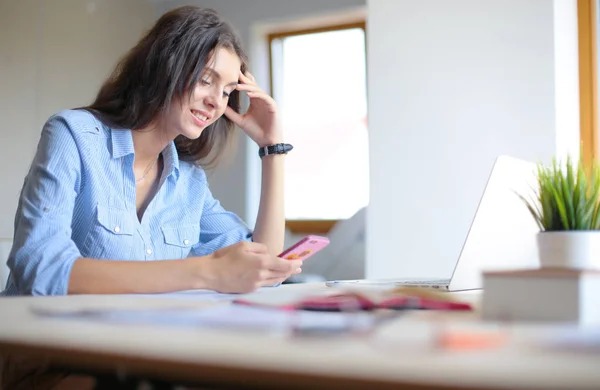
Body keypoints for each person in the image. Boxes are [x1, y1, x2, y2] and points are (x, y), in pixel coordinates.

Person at [0, 5, 302, 298]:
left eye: (226, 91)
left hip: (125, 343)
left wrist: (272, 148)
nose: (216, 102)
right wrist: (206, 271)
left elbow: (266, 269)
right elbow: (40, 269)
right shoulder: (74, 135)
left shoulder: (189, 181)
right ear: (165, 66)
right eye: (206, 80)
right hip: (40, 344)